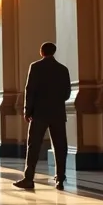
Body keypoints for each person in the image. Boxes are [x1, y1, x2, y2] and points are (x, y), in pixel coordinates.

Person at [13, 42, 72, 191]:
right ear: (54, 52)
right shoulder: (63, 70)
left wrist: (28, 111)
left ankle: (29, 178)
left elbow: (30, 90)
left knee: (33, 146)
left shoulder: (35, 67)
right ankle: (60, 179)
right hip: (58, 113)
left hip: (39, 113)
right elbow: (67, 94)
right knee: (60, 147)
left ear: (41, 52)